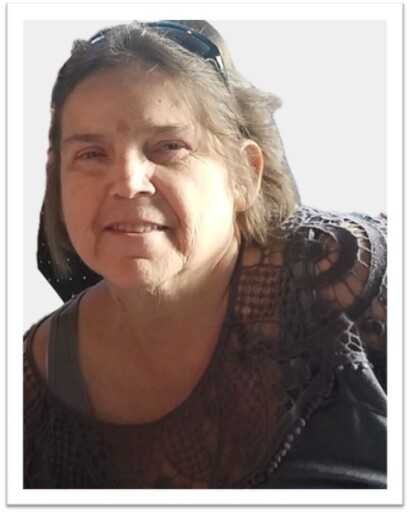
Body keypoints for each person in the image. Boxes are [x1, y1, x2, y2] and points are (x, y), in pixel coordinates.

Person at [24, 20, 387, 489]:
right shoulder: (30, 385)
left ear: (246, 176)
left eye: (169, 146)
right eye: (91, 154)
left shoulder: (351, 277)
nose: (128, 182)